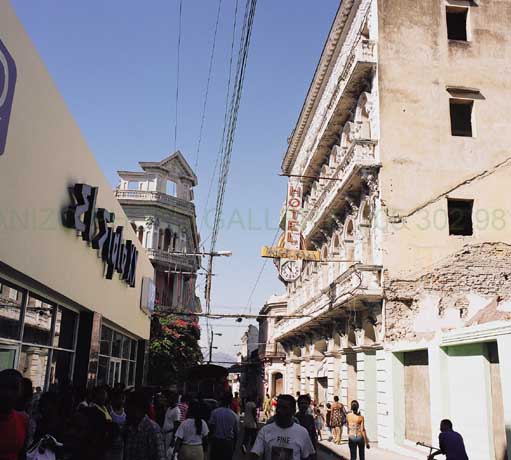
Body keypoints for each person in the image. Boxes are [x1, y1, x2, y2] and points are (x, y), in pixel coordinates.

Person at [250, 394, 315, 460]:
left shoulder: (302, 433)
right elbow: (255, 453)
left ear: (293, 411)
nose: (279, 410)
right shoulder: (265, 430)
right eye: (278, 407)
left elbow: (308, 456)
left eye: (284, 408)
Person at [124, 390, 166, 460]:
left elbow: (160, 457)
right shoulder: (130, 428)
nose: (125, 410)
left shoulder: (153, 429)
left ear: (138, 409)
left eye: (128, 407)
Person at [0, 369, 28, 460]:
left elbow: (22, 454)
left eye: (14, 388)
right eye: (4, 387)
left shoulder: (23, 420)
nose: (8, 393)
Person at [208, 392, 239, 460]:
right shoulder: (234, 415)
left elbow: (211, 428)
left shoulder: (215, 412)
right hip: (228, 443)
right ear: (230, 401)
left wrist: (210, 441)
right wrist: (234, 445)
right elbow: (236, 432)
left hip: (217, 442)